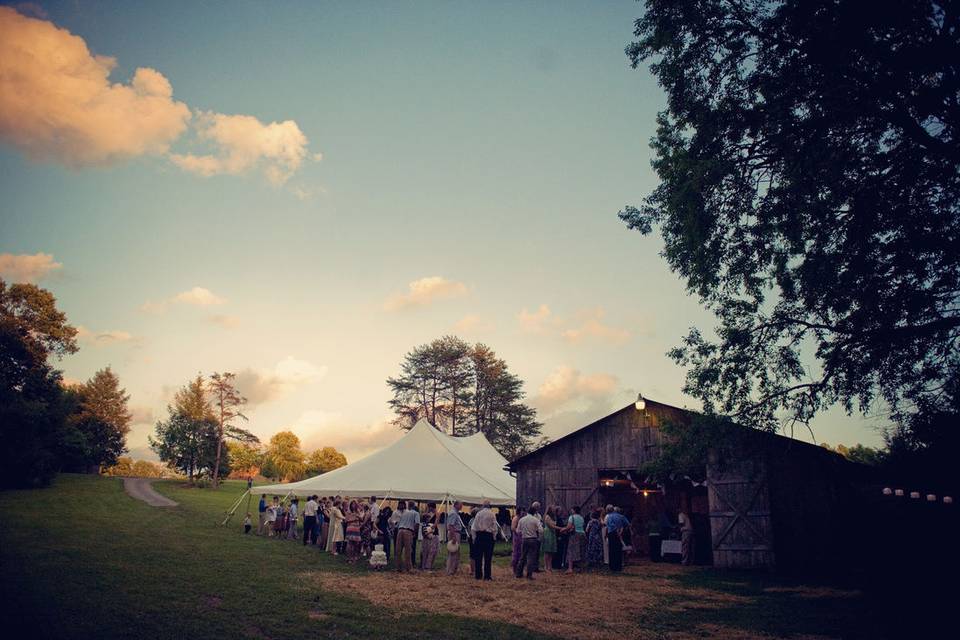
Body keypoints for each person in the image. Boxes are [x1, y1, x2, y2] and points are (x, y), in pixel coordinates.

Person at [514, 503, 543, 579]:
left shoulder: (522, 520)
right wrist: (538, 536)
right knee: (531, 557)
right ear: (534, 513)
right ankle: (529, 575)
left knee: (522, 557)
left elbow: (518, 531)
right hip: (533, 539)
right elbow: (541, 530)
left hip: (524, 539)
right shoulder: (535, 520)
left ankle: (518, 573)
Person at [471, 499, 498, 580]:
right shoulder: (492, 514)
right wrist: (494, 537)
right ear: (490, 506)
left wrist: (474, 538)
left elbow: (474, 527)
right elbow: (494, 527)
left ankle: (478, 575)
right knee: (488, 557)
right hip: (488, 536)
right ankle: (487, 576)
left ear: (483, 506)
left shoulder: (478, 514)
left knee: (478, 557)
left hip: (479, 536)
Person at [395, 500, 420, 572]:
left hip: (400, 531)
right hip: (408, 531)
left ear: (408, 505)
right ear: (414, 505)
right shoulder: (416, 513)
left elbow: (398, 524)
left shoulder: (404, 513)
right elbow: (417, 524)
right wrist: (414, 533)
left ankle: (398, 567)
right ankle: (409, 568)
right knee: (408, 550)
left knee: (398, 550)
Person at [605, 505, 630, 572]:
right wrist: (621, 530)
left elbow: (610, 525)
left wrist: (616, 530)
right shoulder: (621, 516)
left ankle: (613, 567)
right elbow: (627, 524)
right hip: (620, 534)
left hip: (612, 534)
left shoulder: (610, 516)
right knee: (618, 550)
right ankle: (619, 566)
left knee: (612, 550)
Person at [563, 505, 585, 574]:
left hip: (574, 535)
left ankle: (570, 568)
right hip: (582, 534)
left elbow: (569, 526)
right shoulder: (581, 518)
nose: (571, 511)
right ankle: (580, 568)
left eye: (572, 510)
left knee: (571, 550)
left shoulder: (571, 517)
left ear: (574, 510)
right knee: (580, 551)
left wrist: (563, 529)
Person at [445, 501, 464, 575]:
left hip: (455, 533)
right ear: (456, 505)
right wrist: (454, 537)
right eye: (460, 505)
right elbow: (451, 526)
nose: (461, 506)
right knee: (453, 552)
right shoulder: (453, 513)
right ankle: (450, 570)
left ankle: (453, 569)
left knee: (455, 552)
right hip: (454, 533)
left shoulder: (455, 513)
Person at [420, 502, 439, 570]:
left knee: (432, 550)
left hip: (433, 533)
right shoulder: (426, 514)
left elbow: (436, 523)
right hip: (426, 533)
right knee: (425, 550)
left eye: (429, 507)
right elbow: (422, 518)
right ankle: (423, 565)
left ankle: (428, 566)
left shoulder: (437, 513)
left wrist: (431, 529)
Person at [542, 506, 560, 573]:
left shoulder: (553, 517)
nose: (554, 510)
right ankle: (546, 567)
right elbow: (551, 526)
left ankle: (550, 566)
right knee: (547, 551)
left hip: (552, 534)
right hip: (548, 533)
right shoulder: (547, 517)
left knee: (551, 551)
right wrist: (561, 528)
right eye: (553, 509)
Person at [510, 506, 525, 573]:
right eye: (522, 511)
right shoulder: (516, 518)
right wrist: (518, 532)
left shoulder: (522, 518)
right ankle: (514, 568)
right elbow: (513, 528)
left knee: (521, 553)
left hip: (522, 536)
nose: (523, 512)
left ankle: (519, 568)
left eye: (524, 511)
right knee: (516, 553)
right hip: (517, 537)